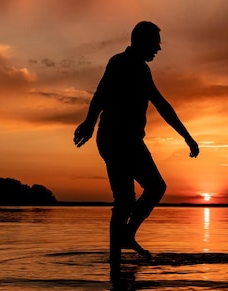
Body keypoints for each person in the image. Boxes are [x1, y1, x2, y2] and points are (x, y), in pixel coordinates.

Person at [73, 21, 199, 274]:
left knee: (153, 188)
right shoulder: (119, 62)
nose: (159, 49)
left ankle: (125, 241)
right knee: (125, 200)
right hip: (113, 138)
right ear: (142, 41)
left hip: (131, 140)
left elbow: (162, 105)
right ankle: (116, 262)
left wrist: (187, 136)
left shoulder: (142, 70)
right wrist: (88, 123)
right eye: (156, 43)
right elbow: (100, 94)